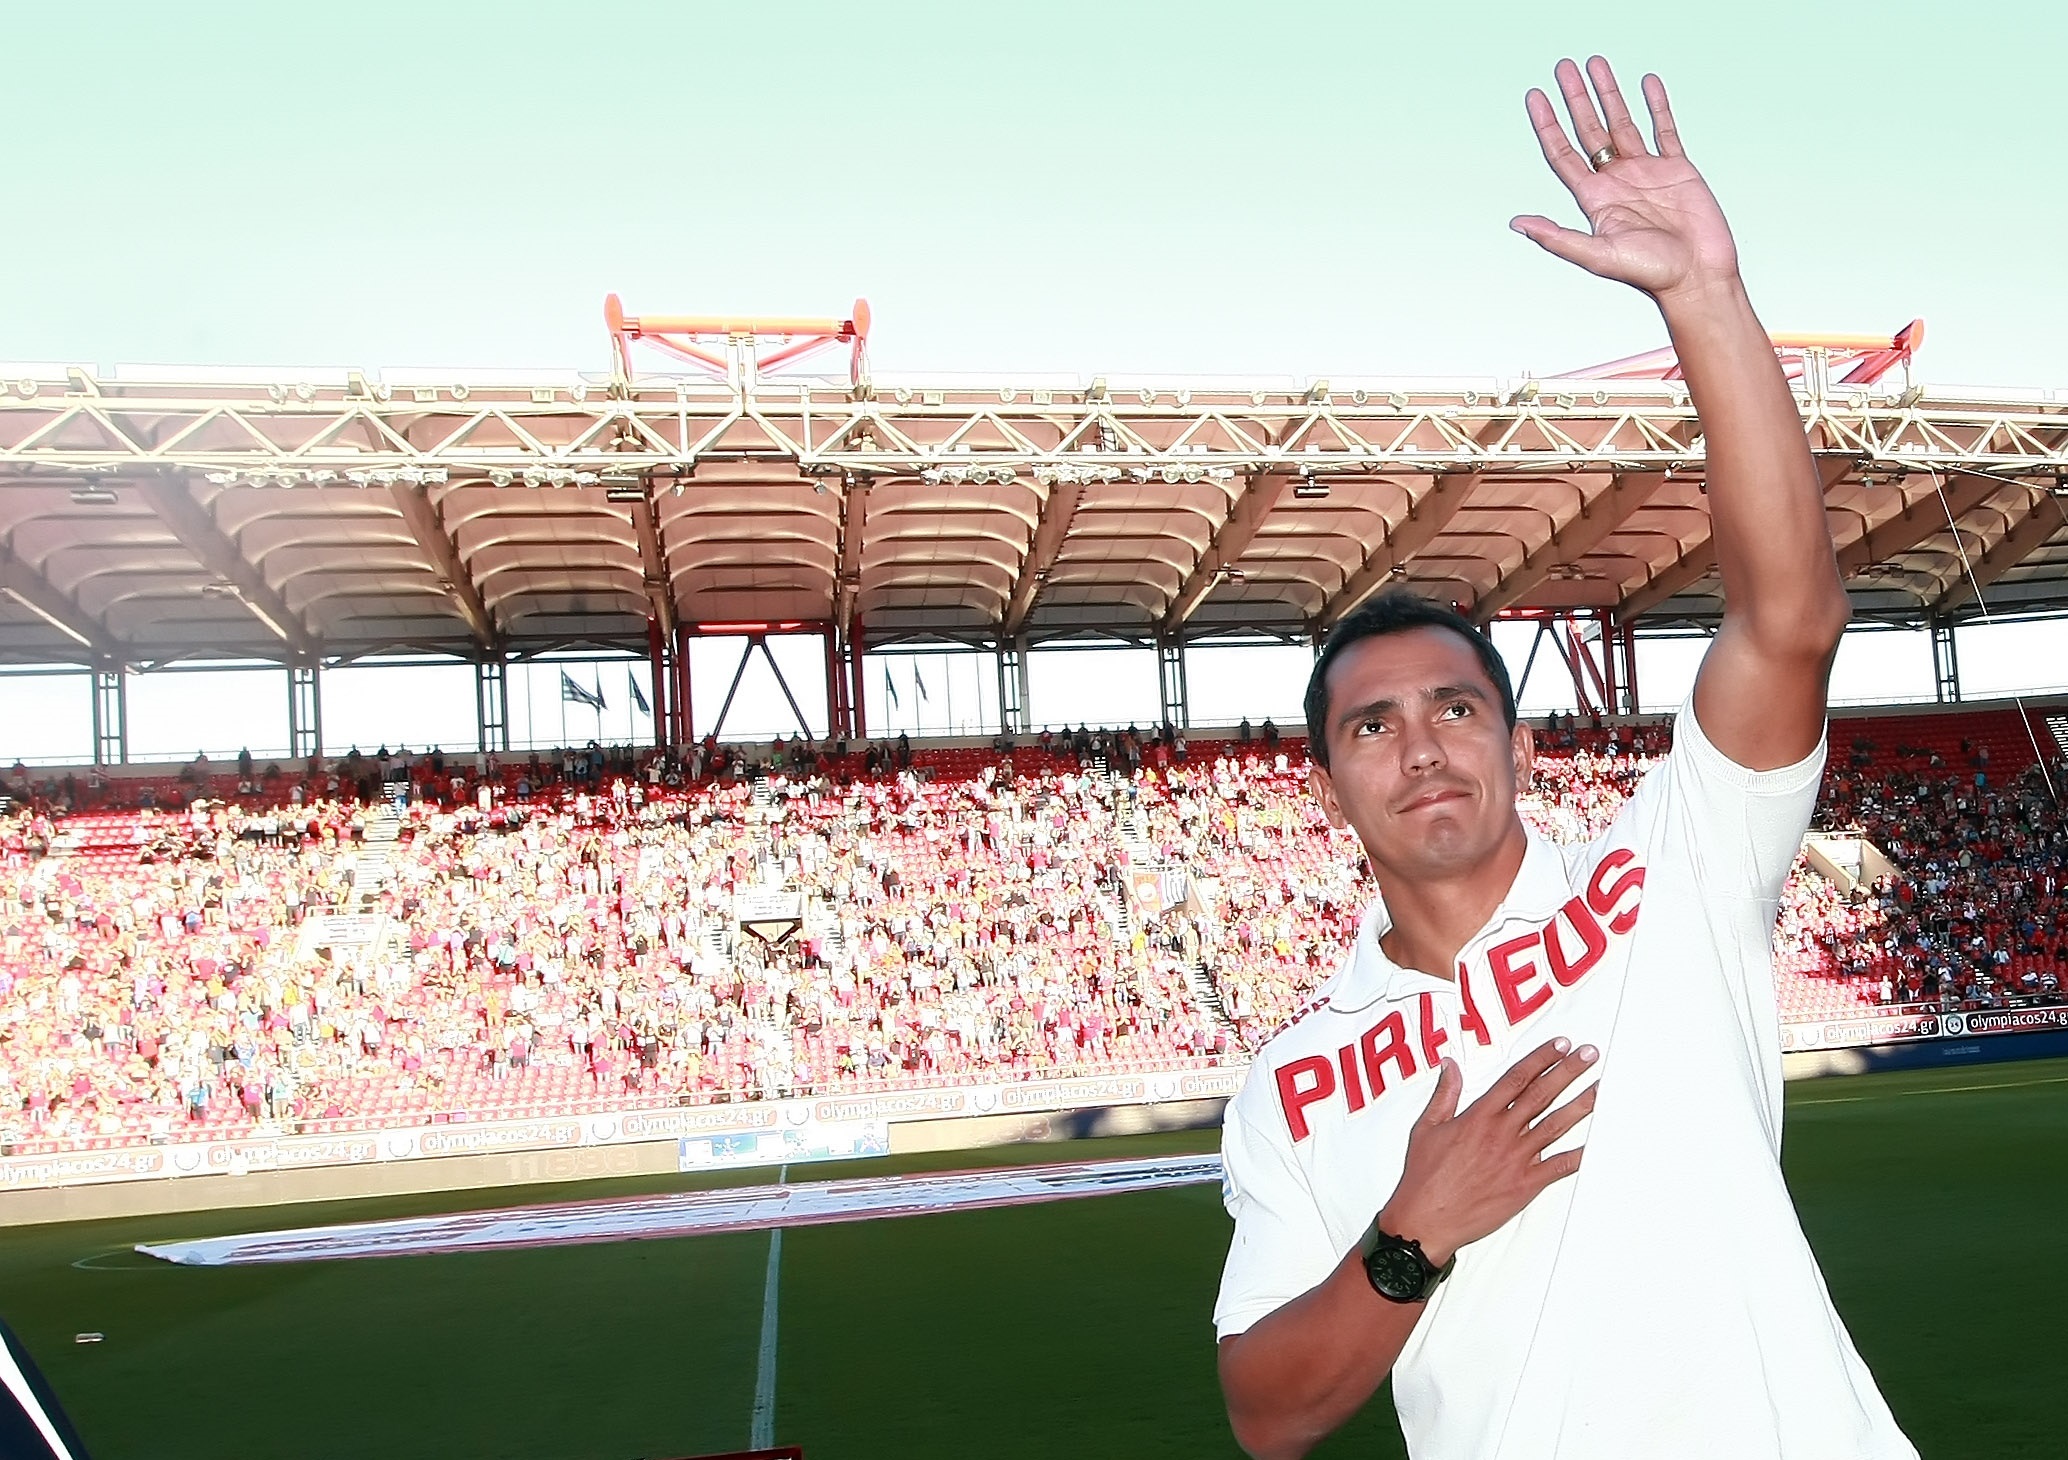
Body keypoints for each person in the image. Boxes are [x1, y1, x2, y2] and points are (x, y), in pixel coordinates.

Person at [1213, 58, 1914, 1460]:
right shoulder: (1295, 1081)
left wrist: (1704, 300)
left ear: (1519, 742)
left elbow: (1790, 620)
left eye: (1455, 708)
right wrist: (1412, 1235)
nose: (1421, 746)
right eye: (1371, 726)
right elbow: (1263, 1412)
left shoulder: (1666, 871)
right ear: (1331, 785)